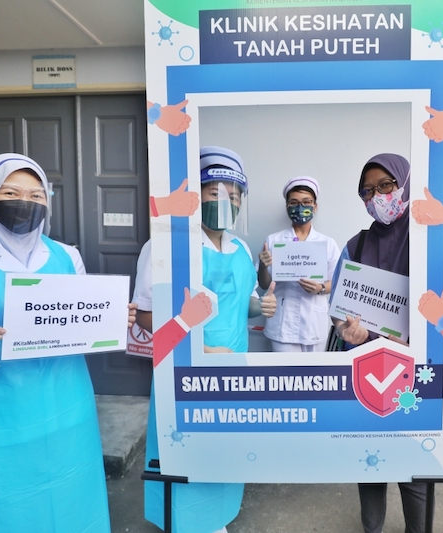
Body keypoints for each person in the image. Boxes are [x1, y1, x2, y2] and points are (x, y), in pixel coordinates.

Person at [0, 153, 136, 533]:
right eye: (12, 191)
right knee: (2, 504)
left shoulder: (67, 257)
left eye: (37, 195)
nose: (26, 202)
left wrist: (115, 320)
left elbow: (79, 326)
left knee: (73, 496)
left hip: (67, 404)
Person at [329, 153, 443, 533]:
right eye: (367, 191)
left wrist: (424, 340)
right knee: (370, 463)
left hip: (419, 375)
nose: (377, 196)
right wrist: (350, 331)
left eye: (386, 185)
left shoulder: (441, 243)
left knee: (417, 469)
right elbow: (339, 310)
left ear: (406, 184)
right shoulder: (356, 246)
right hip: (364, 371)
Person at [135, 146, 276, 533]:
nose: (223, 201)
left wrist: (259, 307)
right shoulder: (166, 247)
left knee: (225, 450)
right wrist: (193, 346)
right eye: (213, 192)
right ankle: (183, 522)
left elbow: (238, 304)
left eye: (232, 195)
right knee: (184, 451)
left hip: (233, 371)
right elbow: (146, 315)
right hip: (185, 371)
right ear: (196, 196)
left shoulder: (241, 248)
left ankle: (218, 519)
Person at [257, 176, 341, 352]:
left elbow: (338, 283)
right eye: (294, 202)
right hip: (282, 324)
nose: (300, 207)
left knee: (314, 376)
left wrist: (320, 288)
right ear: (287, 206)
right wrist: (264, 265)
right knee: (285, 377)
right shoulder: (274, 240)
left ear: (315, 206)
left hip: (314, 323)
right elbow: (264, 284)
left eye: (306, 202)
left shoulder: (328, 243)